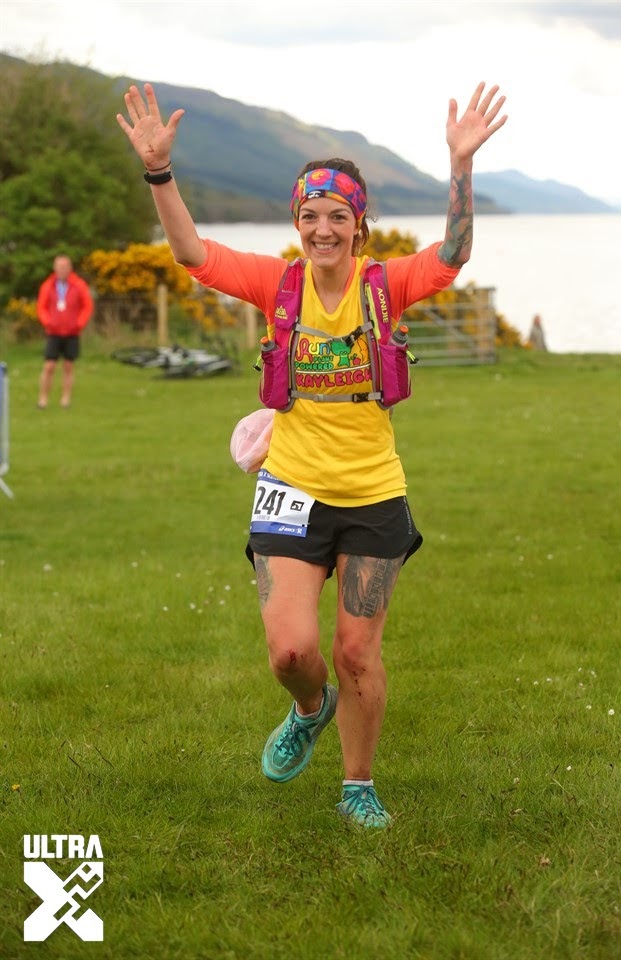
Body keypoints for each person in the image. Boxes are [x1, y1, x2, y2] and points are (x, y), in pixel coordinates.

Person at [117, 80, 507, 828]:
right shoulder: (277, 285)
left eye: (336, 216)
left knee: (359, 651)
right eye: (309, 216)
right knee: (290, 651)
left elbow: (453, 250)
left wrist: (459, 166)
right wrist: (159, 173)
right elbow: (192, 253)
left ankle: (357, 785)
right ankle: (308, 707)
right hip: (291, 488)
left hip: (371, 494)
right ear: (295, 223)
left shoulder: (385, 285)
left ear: (359, 226)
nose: (322, 229)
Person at [36, 255, 94, 408]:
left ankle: (65, 399)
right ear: (55, 269)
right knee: (49, 366)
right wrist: (48, 322)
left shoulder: (78, 285)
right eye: (59, 267)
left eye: (64, 267)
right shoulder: (48, 286)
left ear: (70, 268)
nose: (61, 270)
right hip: (53, 332)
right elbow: (41, 307)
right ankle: (43, 399)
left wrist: (79, 323)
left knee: (68, 366)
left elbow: (87, 306)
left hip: (72, 333)